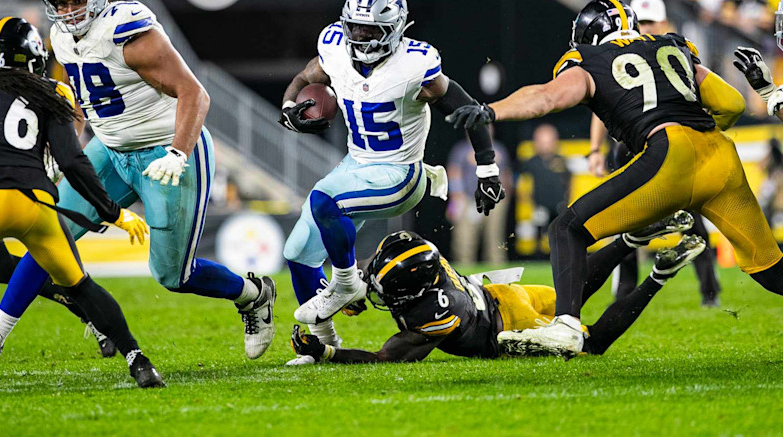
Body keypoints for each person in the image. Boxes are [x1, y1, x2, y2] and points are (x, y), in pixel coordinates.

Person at [447, 0, 783, 358]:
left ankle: (566, 325)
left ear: (588, 35)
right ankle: (642, 237)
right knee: (769, 265)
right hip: (720, 157)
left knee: (567, 228)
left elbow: (547, 97)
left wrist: (490, 110)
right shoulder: (673, 45)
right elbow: (731, 103)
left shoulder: (588, 60)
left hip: (669, 155)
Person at [0, 0, 277, 361]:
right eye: (62, 2)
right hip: (110, 149)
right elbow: (80, 100)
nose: (71, 10)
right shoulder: (59, 36)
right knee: (48, 236)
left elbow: (195, 95)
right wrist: (64, 148)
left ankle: (253, 294)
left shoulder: (128, 33)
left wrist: (179, 153)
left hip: (165, 151)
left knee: (172, 275)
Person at [279, 0, 506, 359]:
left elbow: (467, 108)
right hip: (357, 164)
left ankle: (347, 283)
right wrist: (289, 108)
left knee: (324, 201)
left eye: (371, 30)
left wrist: (487, 167)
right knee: (297, 250)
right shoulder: (334, 47)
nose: (361, 36)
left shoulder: (414, 65)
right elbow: (305, 78)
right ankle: (320, 342)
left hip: (400, 174)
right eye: (355, 27)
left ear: (396, 28)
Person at [0, 16, 162, 387]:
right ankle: (138, 360)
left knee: (1, 263)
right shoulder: (53, 92)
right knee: (71, 282)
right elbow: (71, 161)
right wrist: (114, 213)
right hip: (33, 204)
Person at [289, 222, 704, 363]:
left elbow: (385, 358)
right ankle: (628, 239)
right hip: (503, 294)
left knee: (590, 342)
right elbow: (388, 272)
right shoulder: (421, 255)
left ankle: (658, 276)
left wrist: (326, 353)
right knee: (570, 291)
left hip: (511, 323)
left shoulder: (431, 312)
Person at [589, 0, 721, 307]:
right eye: (641, 21)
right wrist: (595, 149)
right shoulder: (621, 54)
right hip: (632, 147)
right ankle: (625, 290)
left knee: (693, 218)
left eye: (651, 21)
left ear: (663, 23)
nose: (646, 27)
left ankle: (710, 290)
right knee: (626, 219)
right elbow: (599, 105)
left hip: (675, 147)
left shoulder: (676, 51)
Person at [446, 127, 512, 266]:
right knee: (464, 240)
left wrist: (505, 198)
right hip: (468, 200)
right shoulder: (461, 150)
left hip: (495, 201)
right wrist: (456, 200)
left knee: (495, 239)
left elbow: (506, 174)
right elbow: (454, 173)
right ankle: (463, 271)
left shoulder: (499, 149)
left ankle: (498, 272)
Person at [522, 124, 570, 257]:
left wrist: (566, 200)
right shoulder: (532, 162)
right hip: (539, 203)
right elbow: (522, 182)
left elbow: (568, 182)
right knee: (538, 230)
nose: (545, 145)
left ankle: (562, 254)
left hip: (558, 204)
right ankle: (538, 255)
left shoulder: (561, 161)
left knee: (560, 232)